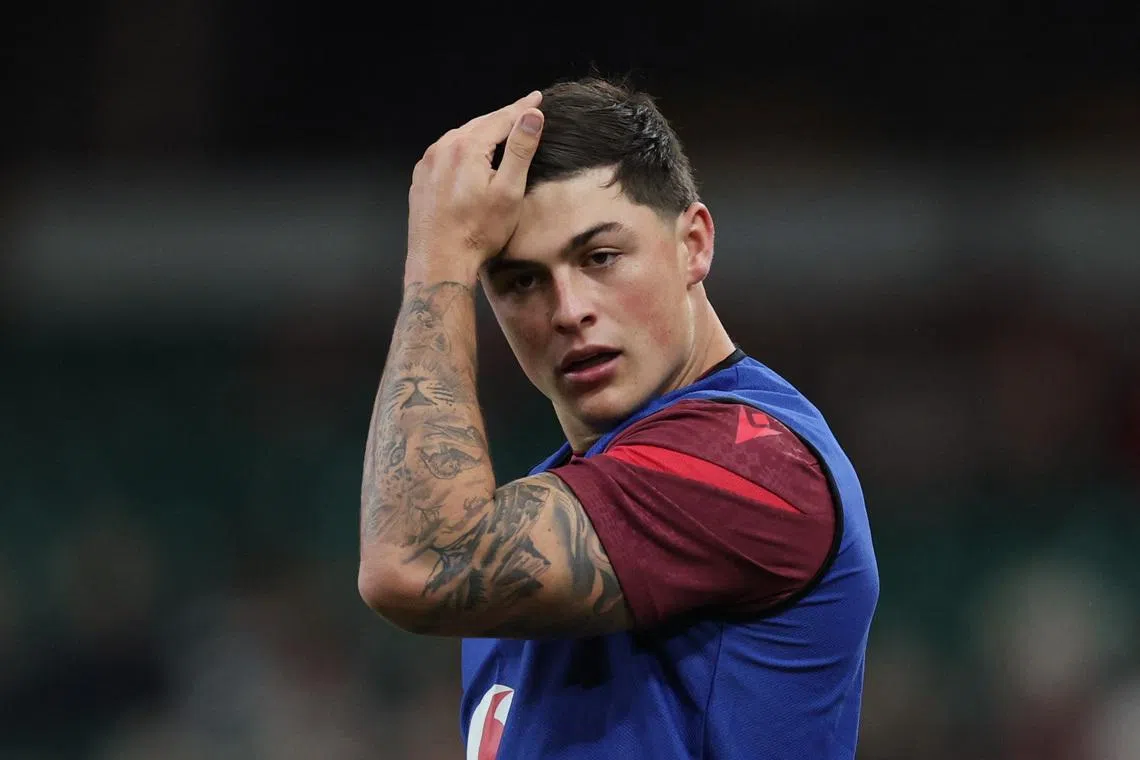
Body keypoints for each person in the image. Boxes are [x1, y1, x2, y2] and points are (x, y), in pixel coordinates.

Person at [358, 77, 879, 760]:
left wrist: (435, 269)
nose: (567, 309)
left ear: (693, 244)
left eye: (599, 256)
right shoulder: (547, 509)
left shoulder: (755, 459)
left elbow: (416, 562)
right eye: (520, 281)